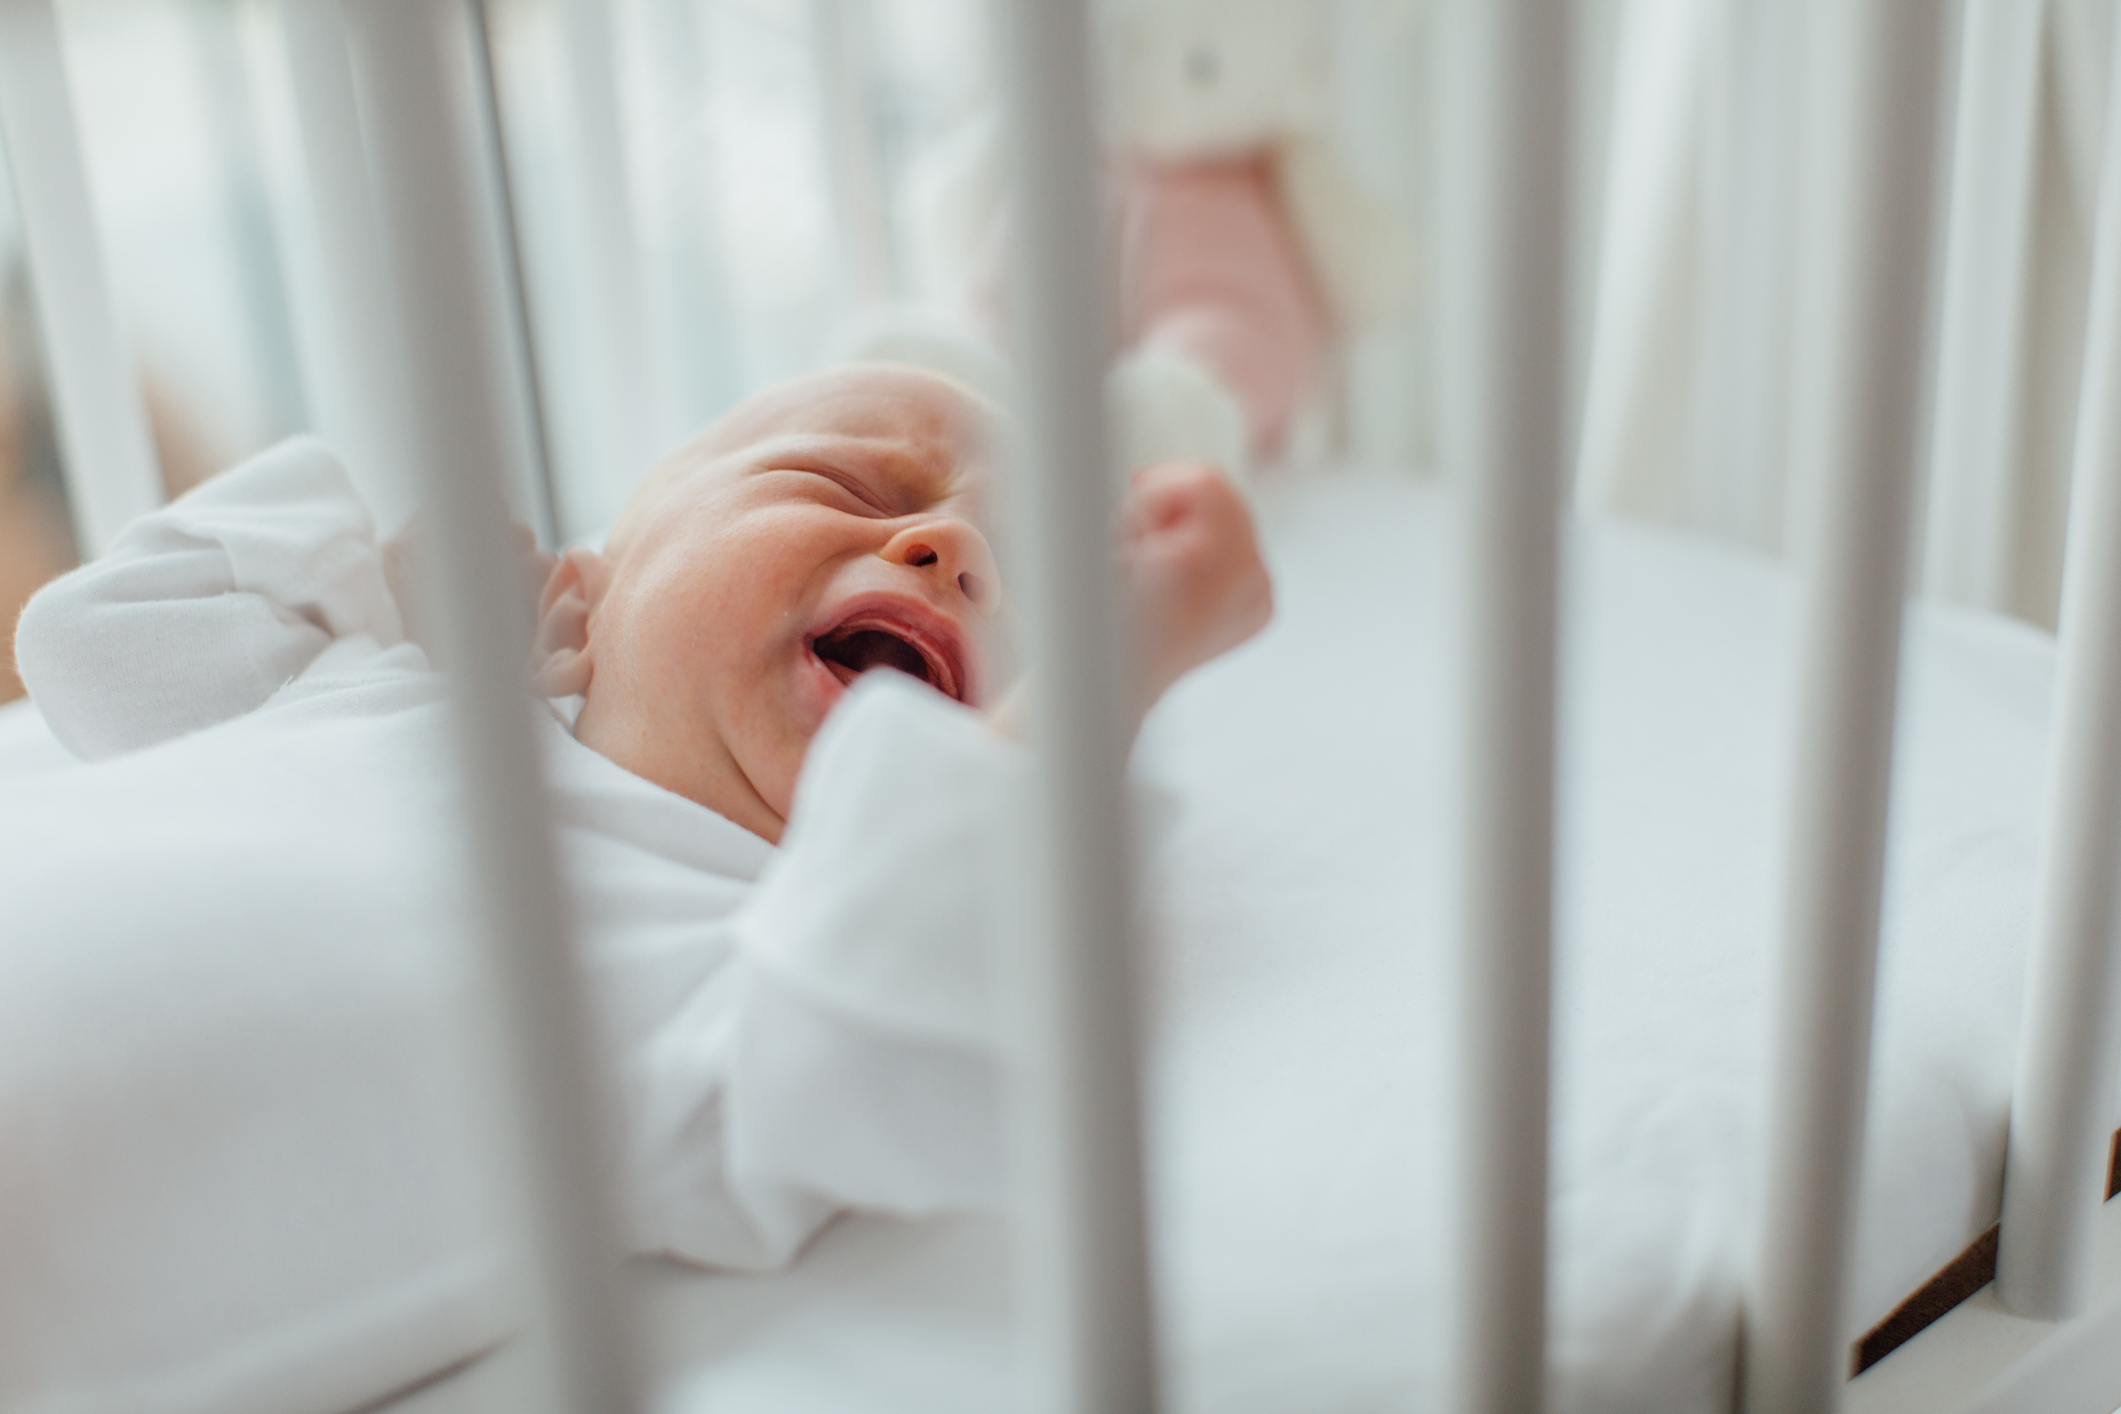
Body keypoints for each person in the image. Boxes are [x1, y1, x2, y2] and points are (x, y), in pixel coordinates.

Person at [12, 361, 1271, 1269]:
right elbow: (94, 640)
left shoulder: (732, 982)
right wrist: (387, 597)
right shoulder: (382, 693)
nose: (952, 546)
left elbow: (915, 1041)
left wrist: (1128, 649)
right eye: (844, 481)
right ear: (582, 601)